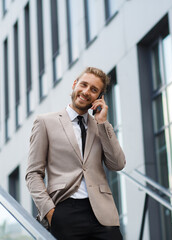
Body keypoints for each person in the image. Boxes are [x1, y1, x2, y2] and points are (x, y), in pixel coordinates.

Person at [25, 67, 126, 239]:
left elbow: (117, 164)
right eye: (84, 85)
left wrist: (103, 123)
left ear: (99, 97)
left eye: (94, 90)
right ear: (75, 84)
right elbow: (33, 173)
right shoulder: (45, 122)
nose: (86, 92)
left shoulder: (100, 127)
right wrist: (50, 212)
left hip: (103, 213)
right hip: (65, 211)